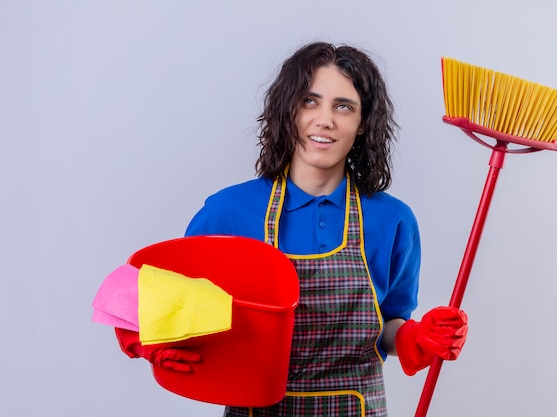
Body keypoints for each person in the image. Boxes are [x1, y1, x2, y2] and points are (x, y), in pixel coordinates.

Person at [117, 41, 468, 416]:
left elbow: (390, 323)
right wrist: (145, 340)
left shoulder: (393, 220)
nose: (325, 120)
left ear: (363, 122)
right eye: (310, 101)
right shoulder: (229, 212)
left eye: (343, 106)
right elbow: (140, 293)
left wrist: (418, 338)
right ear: (289, 110)